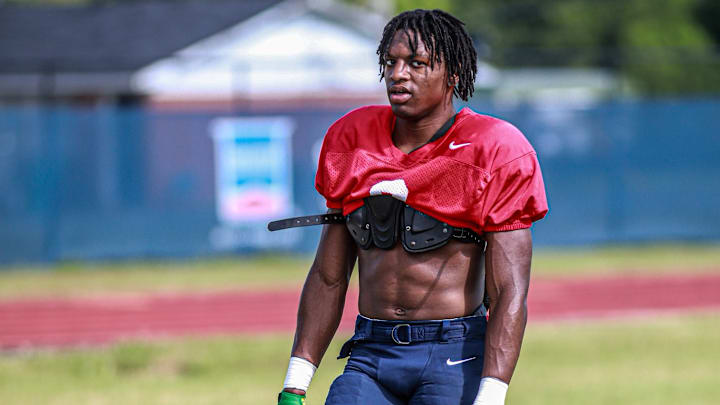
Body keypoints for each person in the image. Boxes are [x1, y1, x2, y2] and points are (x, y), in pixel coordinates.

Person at [272, 9, 548, 405]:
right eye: (391, 62)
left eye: (417, 63)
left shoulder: (495, 147)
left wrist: (491, 395)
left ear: (453, 74)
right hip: (371, 352)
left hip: (454, 352)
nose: (398, 74)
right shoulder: (352, 140)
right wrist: (295, 383)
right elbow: (329, 277)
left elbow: (509, 291)